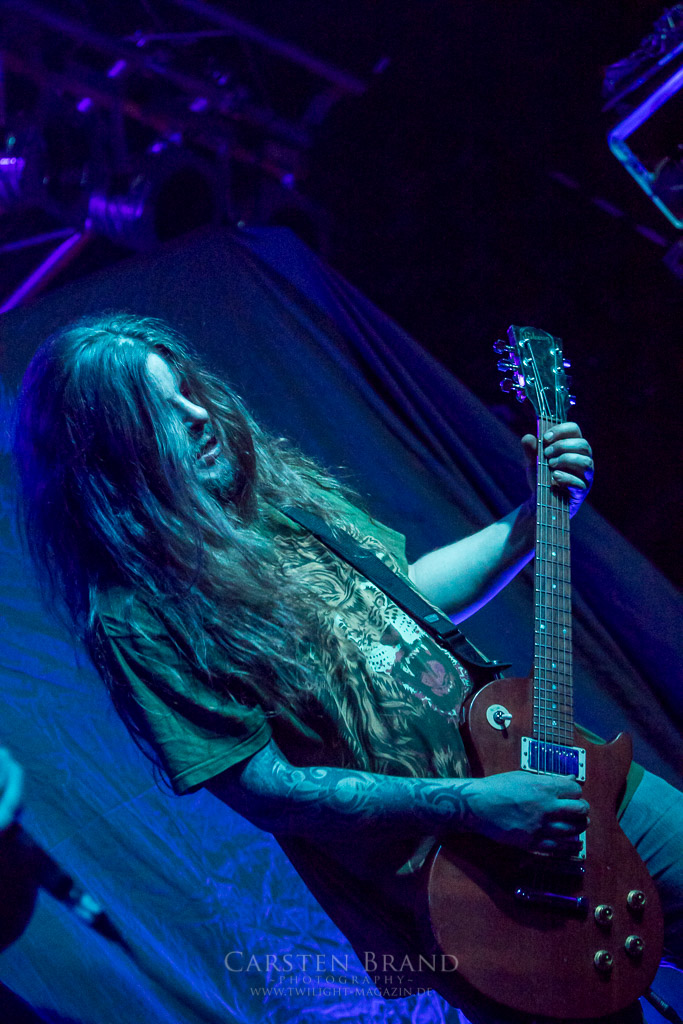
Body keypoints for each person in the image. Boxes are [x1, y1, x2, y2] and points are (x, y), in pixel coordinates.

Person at [12, 313, 682, 1023]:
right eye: (158, 412)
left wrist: (533, 519)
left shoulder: (271, 495)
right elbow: (267, 789)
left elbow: (406, 597)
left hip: (565, 777)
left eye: (186, 390)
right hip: (470, 881)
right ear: (106, 457)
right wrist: (478, 806)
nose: (198, 415)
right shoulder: (139, 616)